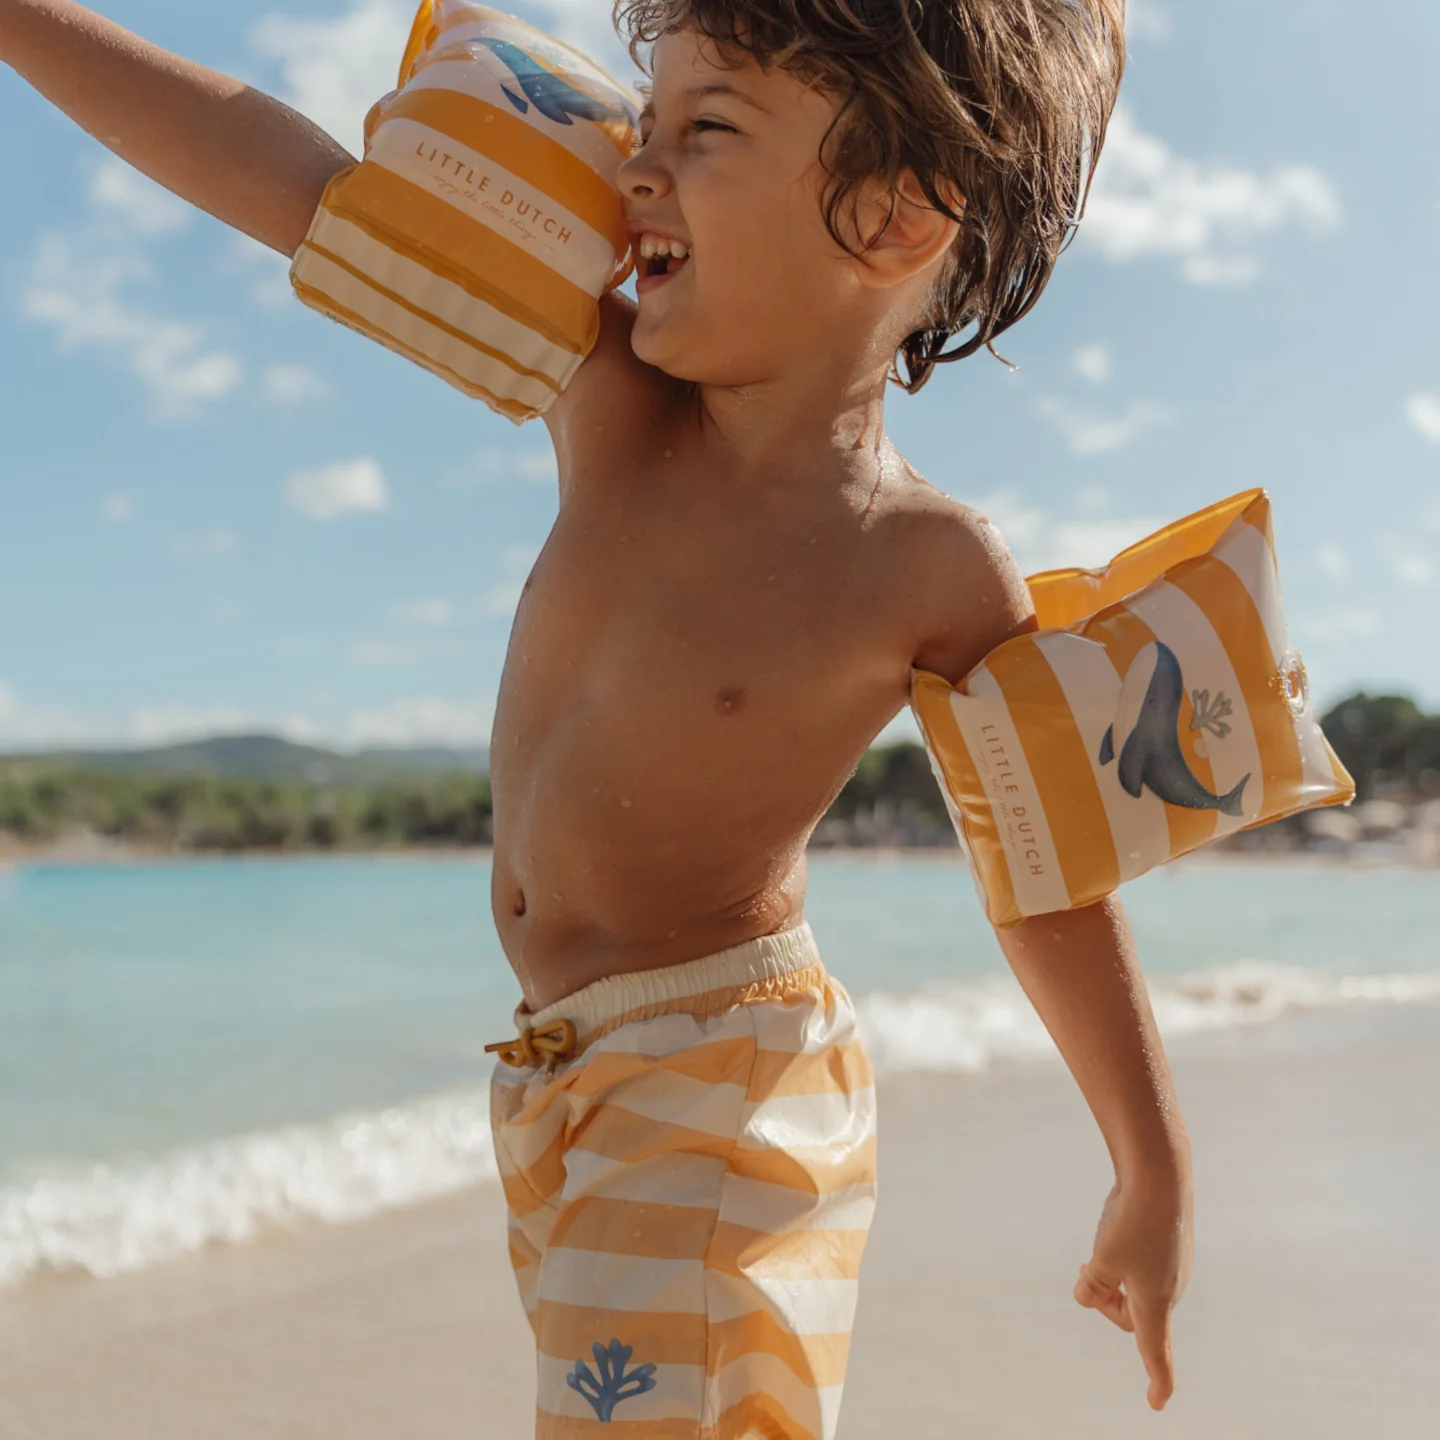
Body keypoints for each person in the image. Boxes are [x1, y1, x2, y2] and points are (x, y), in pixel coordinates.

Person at [1, 1, 1194, 1435]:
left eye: (706, 128)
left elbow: (1050, 872)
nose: (635, 167)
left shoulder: (922, 562)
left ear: (893, 217)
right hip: (565, 1072)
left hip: (722, 1083)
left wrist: (1149, 1161)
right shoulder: (606, 391)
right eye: (649, 117)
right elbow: (308, 190)